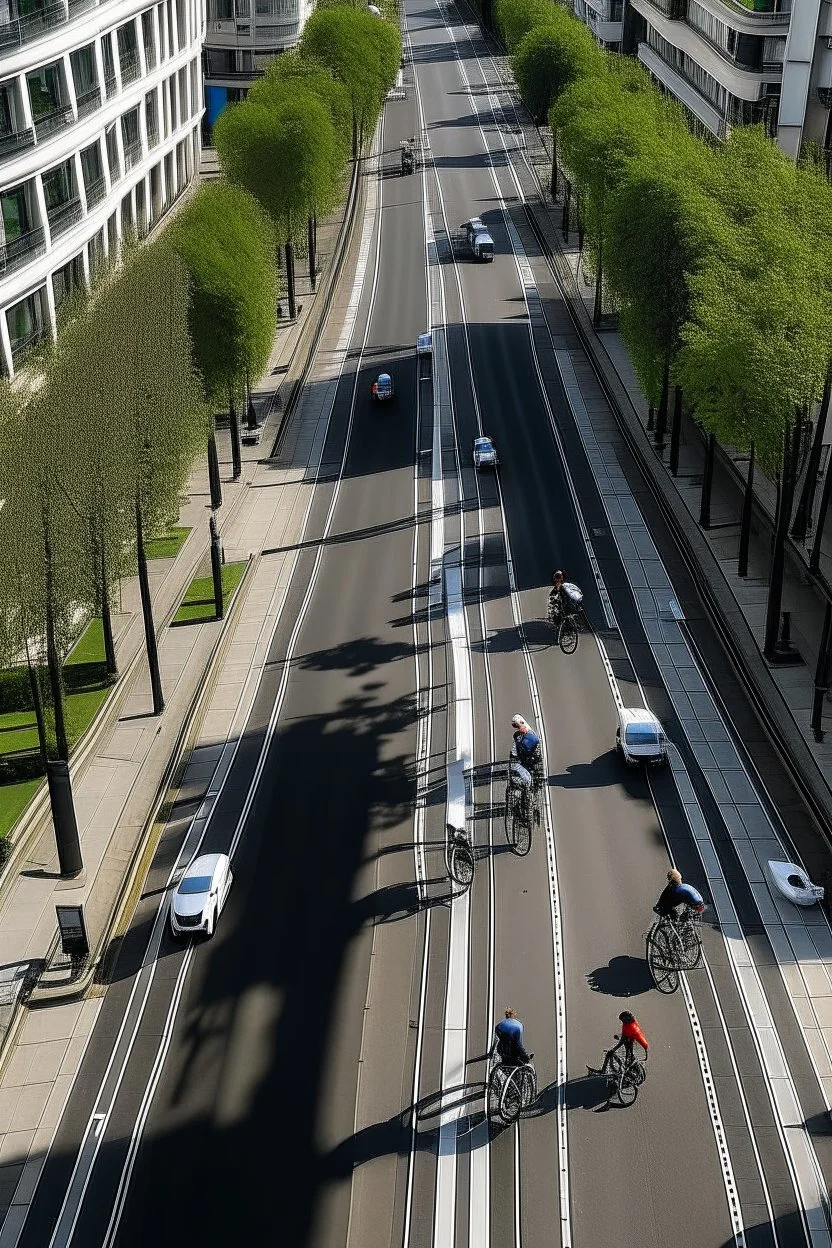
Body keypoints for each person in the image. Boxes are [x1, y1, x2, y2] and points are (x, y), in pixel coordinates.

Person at [588, 1011, 649, 1077]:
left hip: (631, 1049)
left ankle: (611, 1073)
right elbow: (624, 1037)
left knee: (617, 1057)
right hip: (629, 1048)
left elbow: (626, 1039)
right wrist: (619, 1038)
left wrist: (615, 1048)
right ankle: (604, 1071)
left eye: (623, 1020)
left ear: (627, 1018)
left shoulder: (632, 1027)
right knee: (612, 1055)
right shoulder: (626, 1025)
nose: (622, 1022)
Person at [511, 715, 543, 792]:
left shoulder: (530, 737)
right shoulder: (521, 735)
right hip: (527, 756)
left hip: (529, 756)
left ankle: (534, 784)